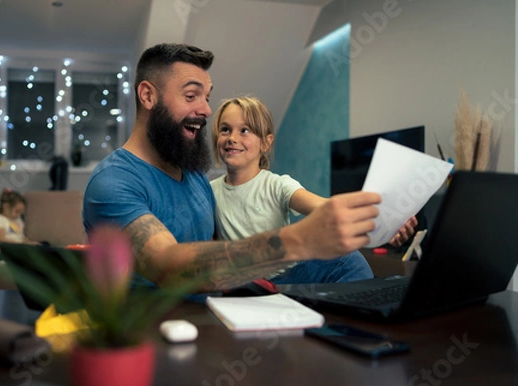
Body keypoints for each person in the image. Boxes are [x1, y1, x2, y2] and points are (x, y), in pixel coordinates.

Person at [83, 43, 411, 293]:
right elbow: (166, 265)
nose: (207, 110)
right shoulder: (113, 183)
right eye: (191, 96)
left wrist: (377, 223)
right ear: (148, 96)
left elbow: (218, 247)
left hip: (226, 313)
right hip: (160, 335)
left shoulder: (195, 178)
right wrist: (298, 240)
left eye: (207, 97)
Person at [210, 96, 417, 284]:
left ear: (266, 142)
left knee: (349, 259)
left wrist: (384, 224)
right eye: (225, 129)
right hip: (245, 283)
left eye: (244, 130)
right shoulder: (209, 191)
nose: (232, 138)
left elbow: (327, 208)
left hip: (287, 278)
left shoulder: (277, 184)